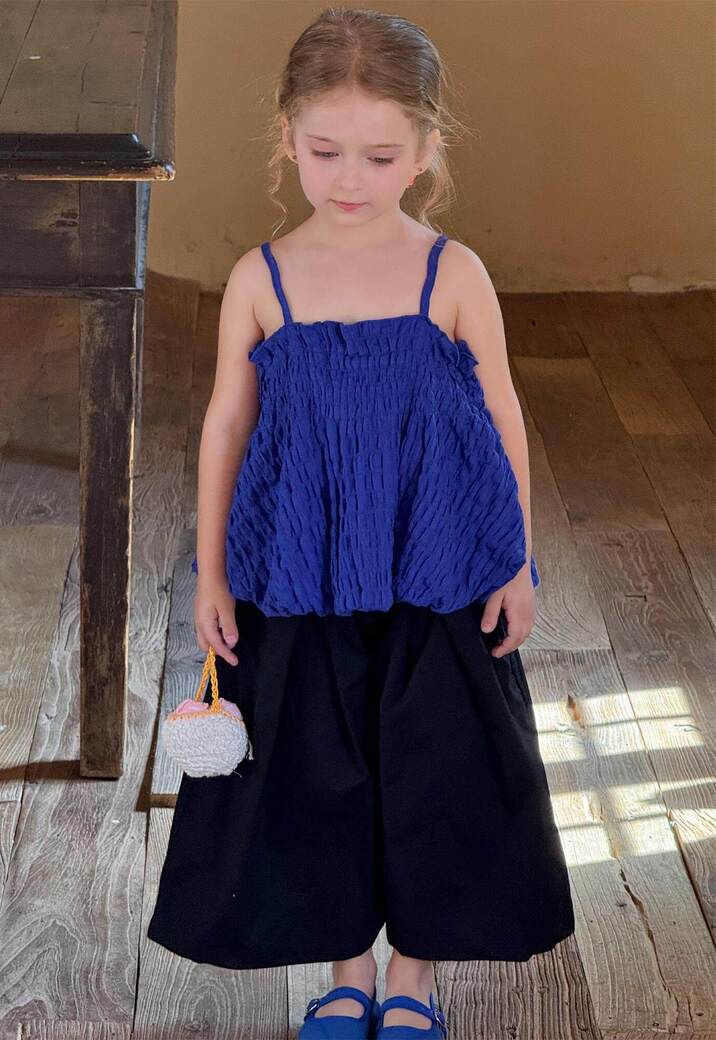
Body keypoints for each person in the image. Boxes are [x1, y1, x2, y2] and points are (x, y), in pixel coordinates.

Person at [147, 7, 576, 1038]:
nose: (350, 178)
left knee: (439, 770)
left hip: (440, 566)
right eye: (325, 150)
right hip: (303, 571)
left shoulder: (452, 274)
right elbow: (226, 424)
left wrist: (516, 559)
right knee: (317, 773)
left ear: (425, 149)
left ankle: (412, 978)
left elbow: (504, 412)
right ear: (287, 138)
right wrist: (213, 572)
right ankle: (348, 971)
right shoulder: (261, 279)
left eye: (380, 156)